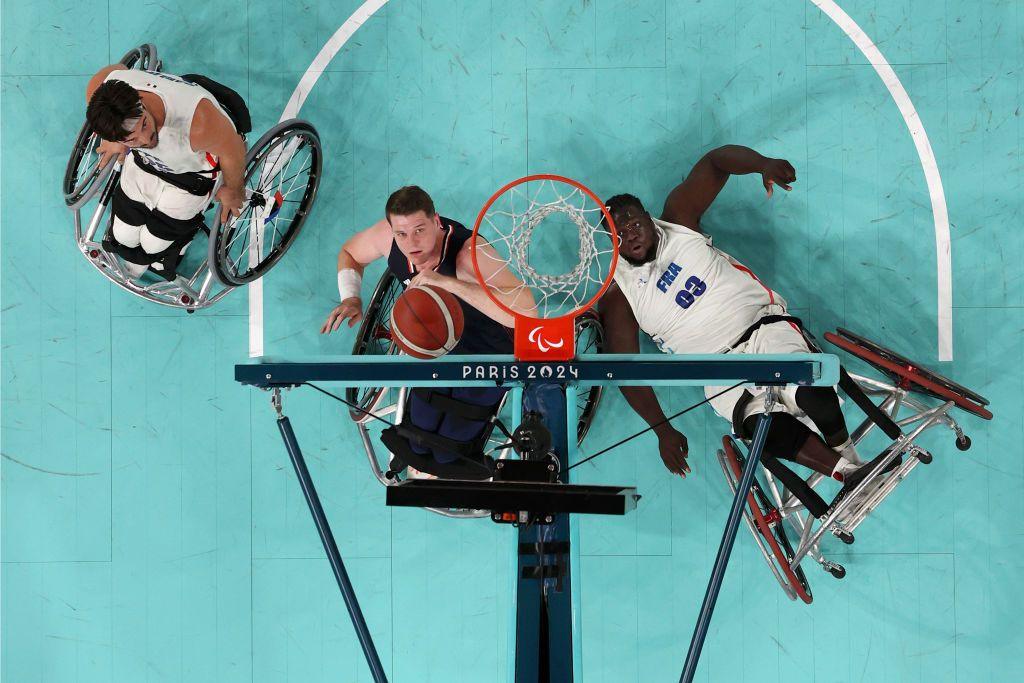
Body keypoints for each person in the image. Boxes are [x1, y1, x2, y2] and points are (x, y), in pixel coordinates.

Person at [599, 145, 895, 515]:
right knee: (761, 427)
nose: (631, 236)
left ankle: (852, 459)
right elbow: (627, 371)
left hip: (761, 326)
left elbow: (714, 162)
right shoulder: (618, 295)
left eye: (634, 224)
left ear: (648, 216)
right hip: (718, 372)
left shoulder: (679, 220)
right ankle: (849, 473)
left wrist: (763, 165)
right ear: (612, 243)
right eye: (620, 235)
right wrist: (662, 430)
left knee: (808, 387)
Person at [321, 186, 535, 474]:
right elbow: (350, 253)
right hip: (437, 351)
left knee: (448, 456)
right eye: (402, 234)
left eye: (420, 230)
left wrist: (448, 283)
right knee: (417, 444)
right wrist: (351, 296)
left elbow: (526, 312)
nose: (411, 243)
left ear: (436, 221)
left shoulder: (469, 254)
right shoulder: (388, 238)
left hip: (487, 353)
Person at [85, 63, 246, 279]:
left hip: (192, 178)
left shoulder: (198, 124)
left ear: (140, 102)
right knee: (123, 236)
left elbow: (234, 148)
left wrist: (233, 188)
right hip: (146, 165)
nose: (145, 139)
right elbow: (110, 72)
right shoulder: (105, 92)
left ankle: (181, 240)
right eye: (132, 139)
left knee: (153, 245)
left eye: (144, 125)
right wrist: (111, 140)